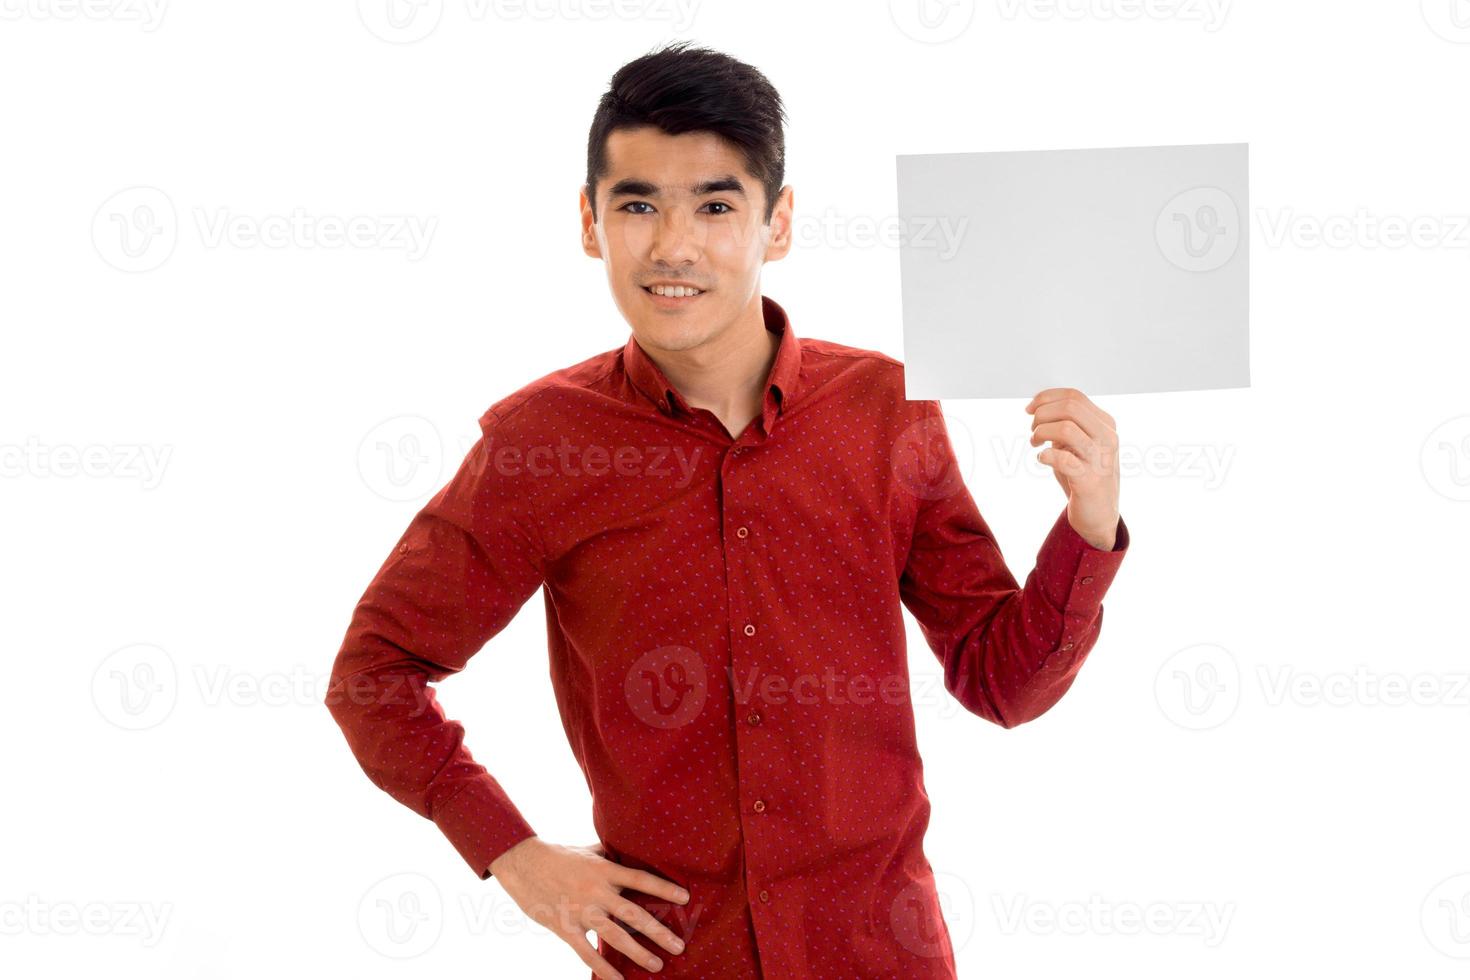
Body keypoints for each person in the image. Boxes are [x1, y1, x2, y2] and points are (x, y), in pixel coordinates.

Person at [325, 40, 1129, 980]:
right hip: (675, 957)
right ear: (590, 223)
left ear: (776, 223)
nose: (674, 245)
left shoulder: (886, 408)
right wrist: (514, 855)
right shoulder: (540, 443)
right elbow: (373, 675)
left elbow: (1003, 683)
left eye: (716, 205)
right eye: (637, 205)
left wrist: (1090, 522)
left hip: (879, 955)